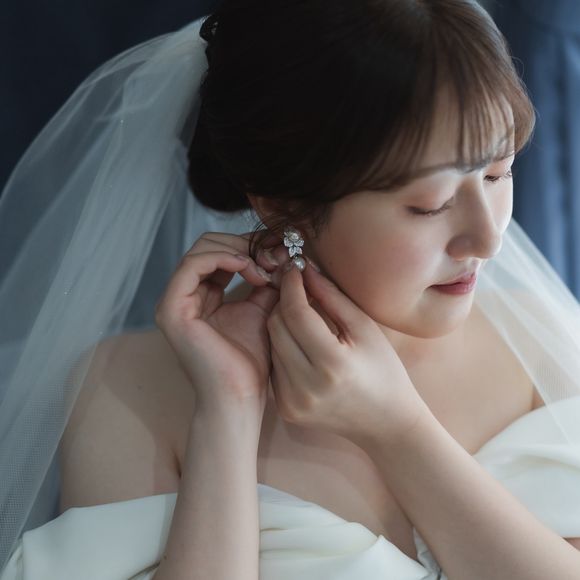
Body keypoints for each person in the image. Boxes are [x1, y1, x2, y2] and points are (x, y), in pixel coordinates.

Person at [2, 1, 580, 579]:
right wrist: (227, 409)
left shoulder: (538, 339)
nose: (489, 238)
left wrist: (400, 431)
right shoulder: (121, 390)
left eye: (498, 173)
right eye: (430, 205)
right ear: (282, 205)